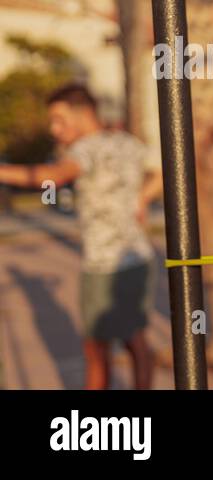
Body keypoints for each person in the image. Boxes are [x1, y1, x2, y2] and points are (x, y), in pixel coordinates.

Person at [0, 84, 162, 390]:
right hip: (137, 257)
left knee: (100, 347)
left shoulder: (84, 149)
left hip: (106, 262)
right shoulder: (127, 143)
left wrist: (3, 172)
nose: (54, 129)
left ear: (83, 113)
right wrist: (142, 197)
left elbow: (55, 177)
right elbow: (165, 170)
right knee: (132, 339)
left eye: (59, 120)